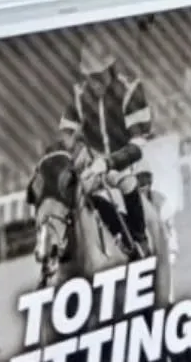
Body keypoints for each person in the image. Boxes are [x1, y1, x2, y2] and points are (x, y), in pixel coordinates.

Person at [58, 31, 154, 260]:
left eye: (99, 76)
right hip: (96, 166)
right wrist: (77, 148)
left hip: (130, 162)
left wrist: (109, 163)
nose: (94, 83)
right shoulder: (80, 96)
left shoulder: (131, 90)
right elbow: (66, 134)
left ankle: (140, 240)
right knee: (78, 197)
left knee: (127, 183)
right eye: (90, 77)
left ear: (110, 69)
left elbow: (139, 145)